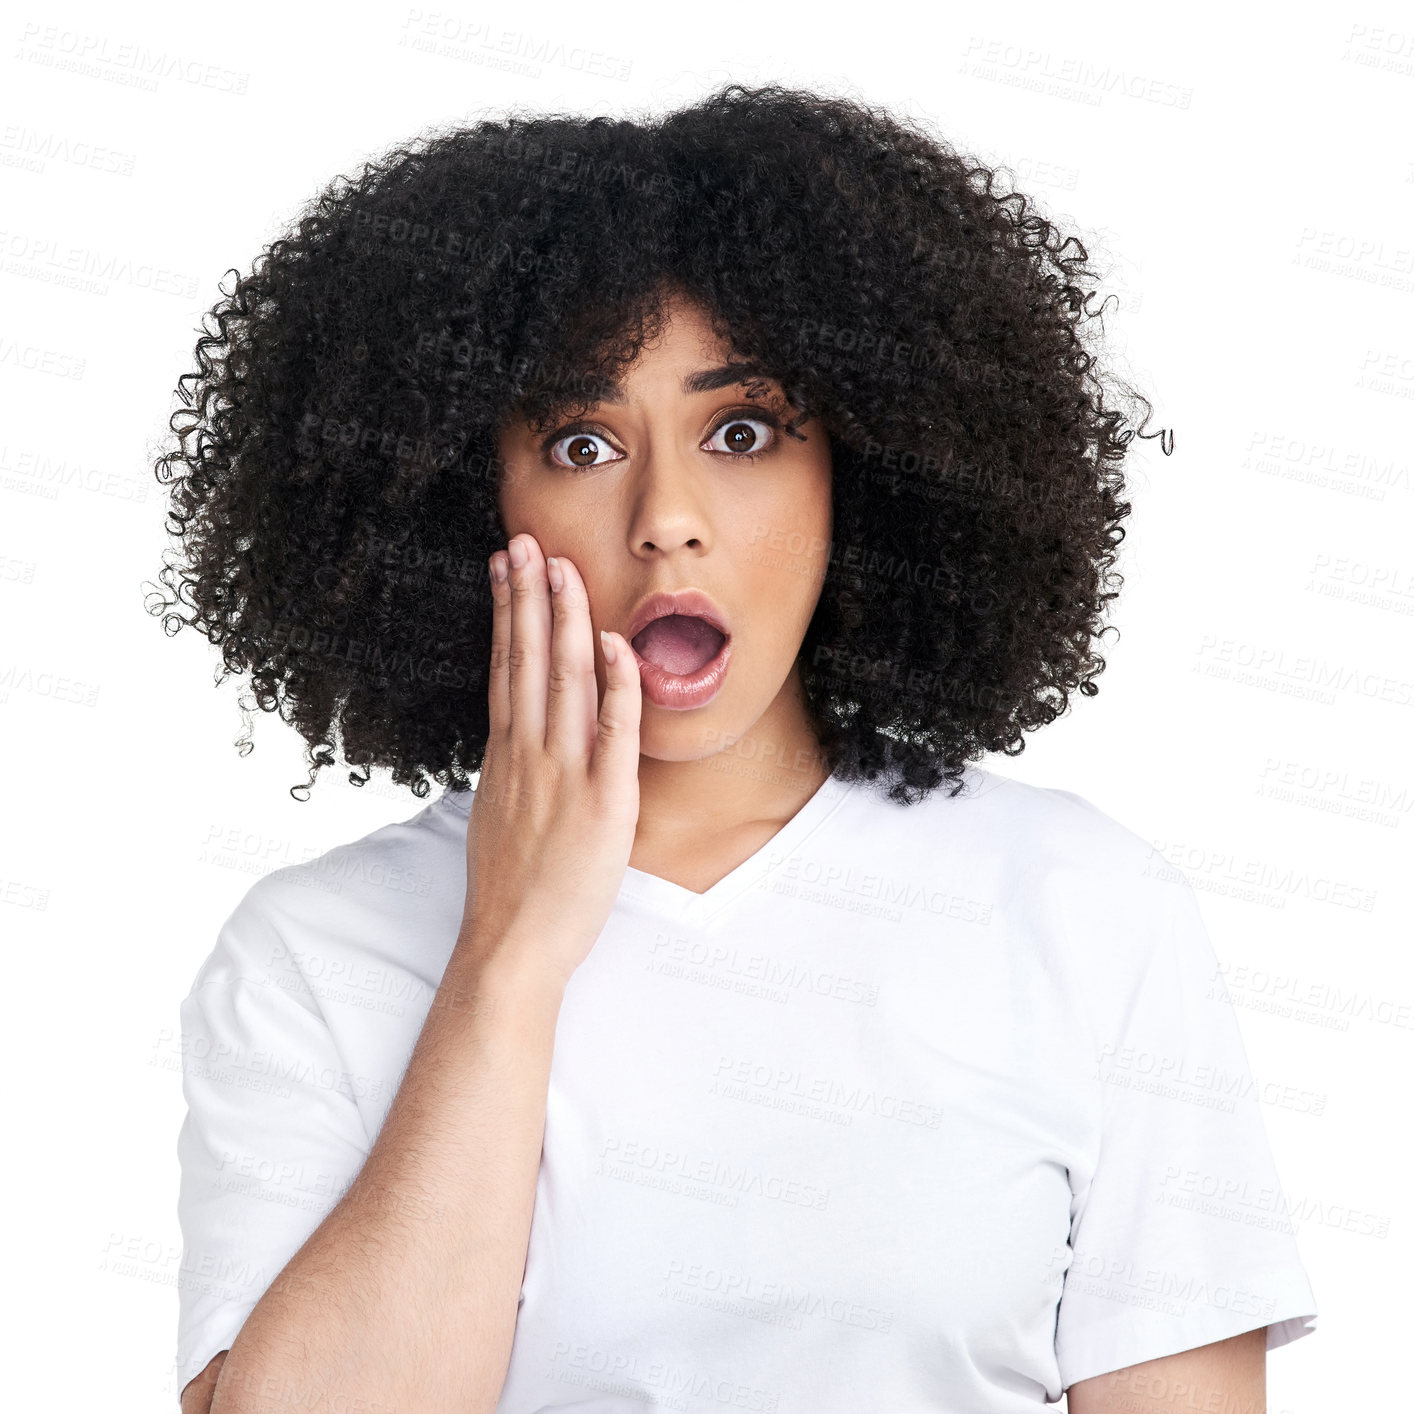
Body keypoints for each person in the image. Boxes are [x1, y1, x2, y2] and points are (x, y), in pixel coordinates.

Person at [154, 83, 1317, 1414]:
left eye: (744, 431)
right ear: (464, 501)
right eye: (582, 442)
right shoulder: (315, 955)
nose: (667, 519)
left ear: (866, 473)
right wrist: (509, 950)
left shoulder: (1077, 907)